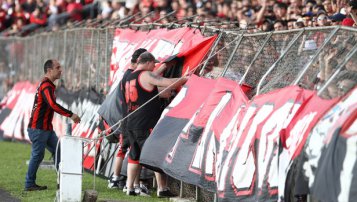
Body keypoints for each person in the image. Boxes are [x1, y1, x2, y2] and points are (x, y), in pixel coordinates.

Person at [125, 52, 187, 197]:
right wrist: (185, 79)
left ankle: (129, 188)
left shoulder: (130, 76)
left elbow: (146, 90)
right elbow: (167, 82)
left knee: (134, 156)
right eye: (154, 64)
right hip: (145, 122)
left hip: (131, 121)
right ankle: (162, 188)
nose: (154, 67)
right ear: (147, 63)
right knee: (156, 153)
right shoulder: (146, 74)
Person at [25, 59, 81, 191]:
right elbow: (53, 105)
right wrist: (71, 114)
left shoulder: (47, 85)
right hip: (38, 129)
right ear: (49, 71)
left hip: (46, 129)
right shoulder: (46, 86)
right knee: (38, 155)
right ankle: (29, 184)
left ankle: (63, 181)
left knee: (59, 152)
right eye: (58, 67)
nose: (60, 70)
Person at [107, 48, 149, 195]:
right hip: (131, 118)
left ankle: (116, 178)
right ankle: (133, 184)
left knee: (124, 149)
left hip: (126, 117)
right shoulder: (133, 75)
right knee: (133, 151)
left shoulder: (127, 74)